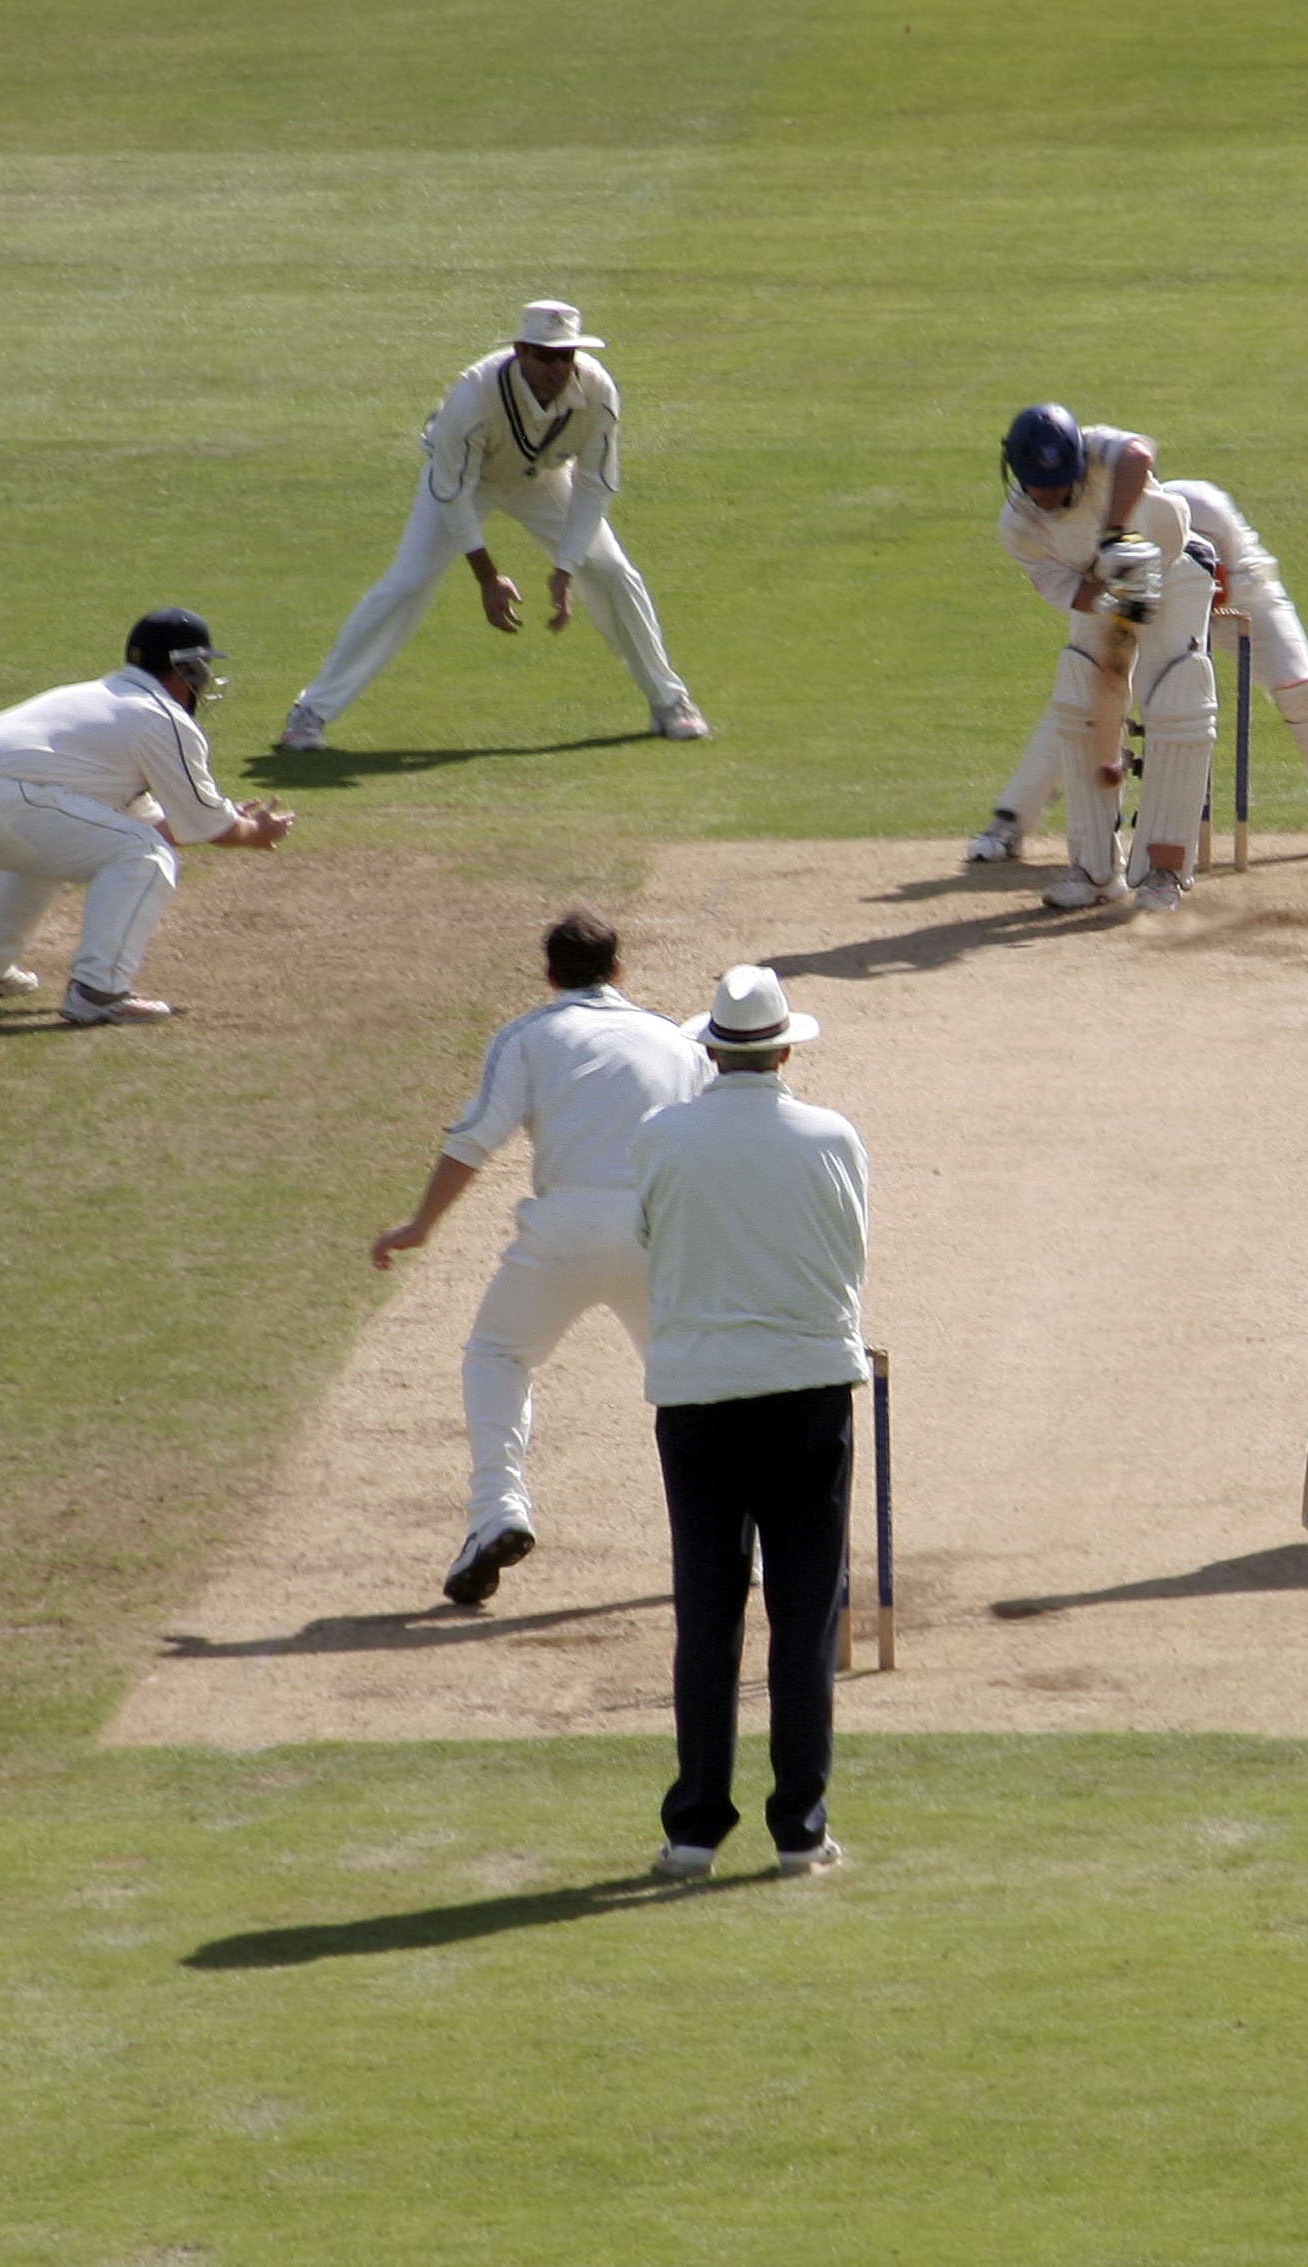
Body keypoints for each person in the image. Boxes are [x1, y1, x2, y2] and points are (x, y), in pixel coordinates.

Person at [370, 911, 711, 1608]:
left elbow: (475, 1138)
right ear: (619, 970)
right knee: (692, 1386)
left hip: (562, 1229)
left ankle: (497, 1509)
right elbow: (708, 1140)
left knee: (498, 1353)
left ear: (550, 975)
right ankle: (743, 1549)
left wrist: (422, 1224)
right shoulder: (676, 1042)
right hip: (658, 1233)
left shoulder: (525, 1036)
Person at [636, 965, 869, 1881]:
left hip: (697, 1395)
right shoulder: (831, 1135)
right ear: (782, 1047)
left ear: (710, 1049)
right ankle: (798, 1831)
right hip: (808, 1388)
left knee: (707, 1608)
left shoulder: (663, 1137)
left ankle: (695, 1828)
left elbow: (652, 1241)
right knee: (803, 1614)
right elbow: (851, 1257)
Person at [275, 300, 708, 754]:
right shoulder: (474, 394)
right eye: (545, 355)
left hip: (541, 477)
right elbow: (453, 493)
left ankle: (670, 702)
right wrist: (487, 577)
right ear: (520, 351)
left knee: (613, 572)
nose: (556, 368)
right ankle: (311, 712)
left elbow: (594, 485)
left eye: (566, 356)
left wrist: (565, 569)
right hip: (467, 481)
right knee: (408, 581)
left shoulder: (598, 390)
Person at [969, 445, 1308, 867]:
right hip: (1152, 611)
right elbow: (1092, 593)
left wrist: (1182, 598)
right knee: (1081, 704)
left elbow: (1233, 582)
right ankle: (1009, 823)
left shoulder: (1206, 505)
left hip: (1247, 600)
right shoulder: (1119, 520)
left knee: (1303, 692)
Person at [0, 608, 294, 1026]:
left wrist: (223, 821)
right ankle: (99, 992)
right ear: (185, 669)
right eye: (201, 669)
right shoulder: (161, 718)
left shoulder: (103, 700)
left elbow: (149, 823)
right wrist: (252, 830)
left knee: (60, 850)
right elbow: (208, 829)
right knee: (145, 857)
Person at [984, 405, 1220, 914]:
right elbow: (1071, 593)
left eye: (1058, 481)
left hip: (1175, 569)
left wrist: (1117, 536)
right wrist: (1115, 588)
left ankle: (1164, 871)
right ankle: (1092, 871)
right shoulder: (1018, 527)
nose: (1048, 494)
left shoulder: (1096, 447)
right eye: (1036, 486)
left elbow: (1139, 453)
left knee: (1177, 705)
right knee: (1078, 702)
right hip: (1101, 590)